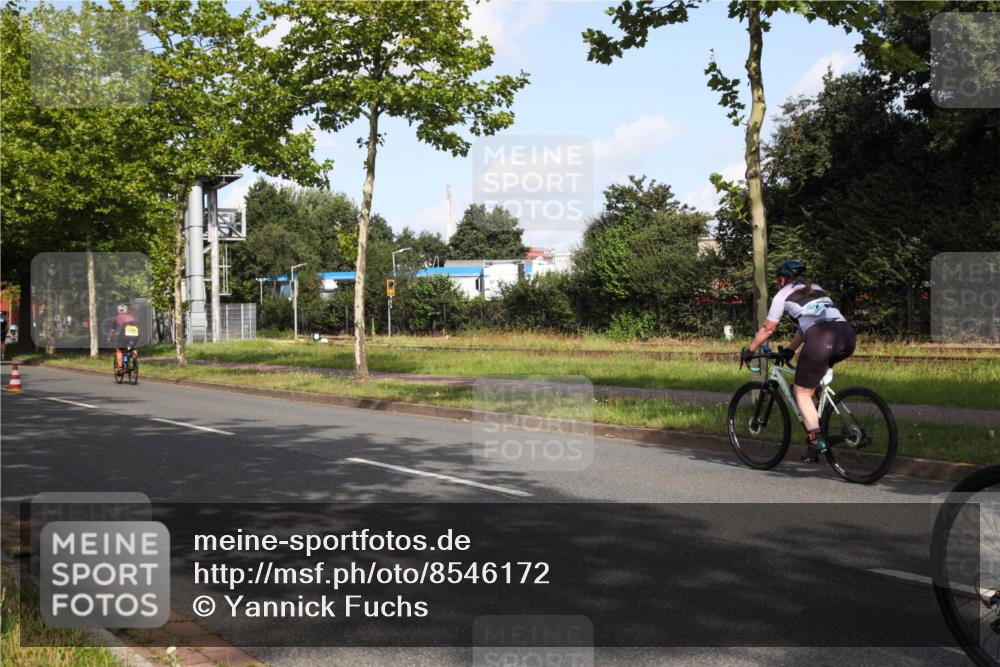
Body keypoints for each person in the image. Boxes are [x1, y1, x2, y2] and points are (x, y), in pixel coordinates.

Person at [741, 260, 856, 463]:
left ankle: (817, 440)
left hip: (822, 338)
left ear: (783, 279)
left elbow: (768, 328)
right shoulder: (817, 289)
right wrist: (790, 350)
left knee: (800, 391)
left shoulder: (782, 294)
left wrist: (749, 350)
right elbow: (808, 325)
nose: (778, 283)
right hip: (846, 336)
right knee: (811, 384)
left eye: (778, 280)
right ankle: (818, 428)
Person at [107, 304, 140, 371]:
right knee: (133, 348)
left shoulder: (117, 317)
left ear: (118, 311)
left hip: (125, 335)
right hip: (136, 334)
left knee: (119, 350)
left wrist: (109, 337)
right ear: (127, 310)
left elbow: (113, 329)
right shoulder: (133, 317)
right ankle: (134, 362)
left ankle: (119, 368)